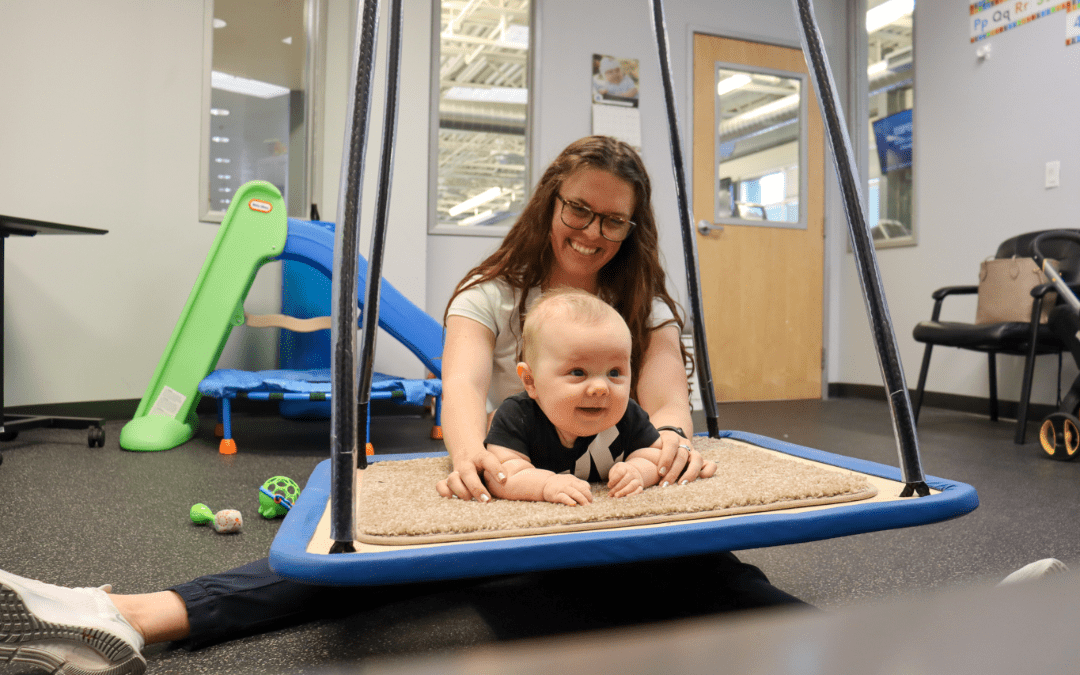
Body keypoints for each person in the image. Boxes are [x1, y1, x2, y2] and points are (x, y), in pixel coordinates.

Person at [0, 136, 790, 673]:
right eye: (579, 209)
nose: (592, 231)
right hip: (516, 474)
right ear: (552, 202)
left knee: (707, 568)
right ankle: (131, 611)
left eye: (613, 219)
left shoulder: (646, 302)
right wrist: (477, 458)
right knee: (369, 551)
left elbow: (665, 405)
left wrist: (670, 447)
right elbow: (468, 389)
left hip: (612, 492)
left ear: (632, 224)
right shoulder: (490, 292)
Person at [437, 288, 717, 506]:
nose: (600, 387)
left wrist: (637, 472)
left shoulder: (627, 414)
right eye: (578, 372)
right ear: (530, 381)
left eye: (615, 372)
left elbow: (654, 455)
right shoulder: (517, 416)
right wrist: (546, 486)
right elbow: (503, 476)